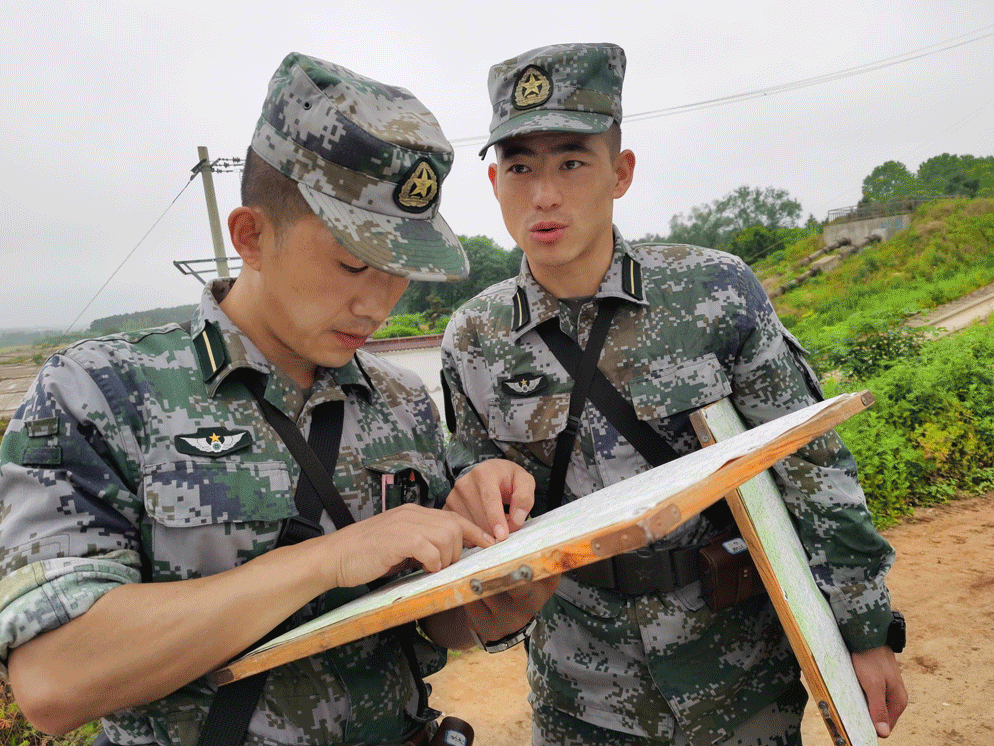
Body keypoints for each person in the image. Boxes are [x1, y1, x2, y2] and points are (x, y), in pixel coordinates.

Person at [0, 52, 555, 746]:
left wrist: (498, 590)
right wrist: (327, 558)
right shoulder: (100, 393)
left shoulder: (402, 401)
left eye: (401, 274)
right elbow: (55, 681)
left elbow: (433, 623)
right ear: (251, 236)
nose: (377, 303)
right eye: (353, 263)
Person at [441, 43, 908, 746]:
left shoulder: (713, 292)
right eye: (519, 166)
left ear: (620, 172)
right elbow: (477, 519)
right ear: (494, 180)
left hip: (738, 672)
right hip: (582, 690)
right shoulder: (472, 338)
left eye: (571, 161)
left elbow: (810, 466)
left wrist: (865, 630)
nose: (544, 193)